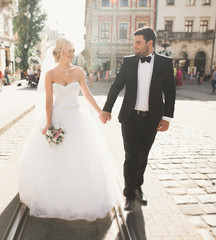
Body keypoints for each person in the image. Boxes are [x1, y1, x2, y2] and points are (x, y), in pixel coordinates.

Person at [18, 36, 120, 221]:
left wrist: (100, 112)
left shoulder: (79, 72)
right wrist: (49, 123)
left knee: (81, 156)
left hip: (77, 117)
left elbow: (87, 94)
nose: (73, 54)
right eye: (70, 51)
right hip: (58, 117)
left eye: (73, 51)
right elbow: (49, 100)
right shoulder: (50, 74)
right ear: (60, 53)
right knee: (55, 157)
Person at [99, 27, 176, 210]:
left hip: (152, 119)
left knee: (143, 157)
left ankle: (138, 186)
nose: (134, 46)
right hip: (130, 118)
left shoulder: (165, 63)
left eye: (138, 42)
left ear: (149, 43)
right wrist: (107, 109)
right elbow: (116, 86)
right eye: (134, 42)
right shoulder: (128, 62)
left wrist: (166, 117)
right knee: (131, 156)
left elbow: (170, 92)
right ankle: (128, 194)